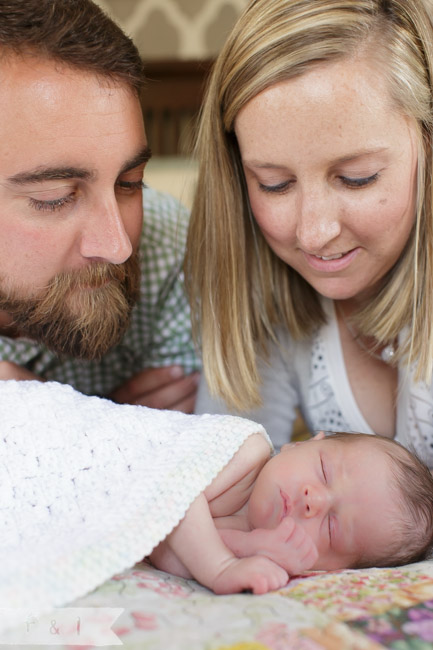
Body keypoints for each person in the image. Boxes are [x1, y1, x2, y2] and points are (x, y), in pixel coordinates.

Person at [188, 0, 433, 460]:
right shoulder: (270, 289)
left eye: (356, 177)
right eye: (274, 185)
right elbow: (223, 489)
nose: (314, 233)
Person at [0, 0, 200, 412]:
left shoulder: (170, 247)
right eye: (55, 198)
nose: (119, 246)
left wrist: (88, 423)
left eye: (130, 183)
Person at [150, 431, 433, 595]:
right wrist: (221, 568)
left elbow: (163, 548)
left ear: (329, 570)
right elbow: (172, 493)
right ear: (304, 443)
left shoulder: (251, 551)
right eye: (324, 470)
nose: (315, 500)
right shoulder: (246, 450)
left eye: (332, 528)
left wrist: (248, 547)